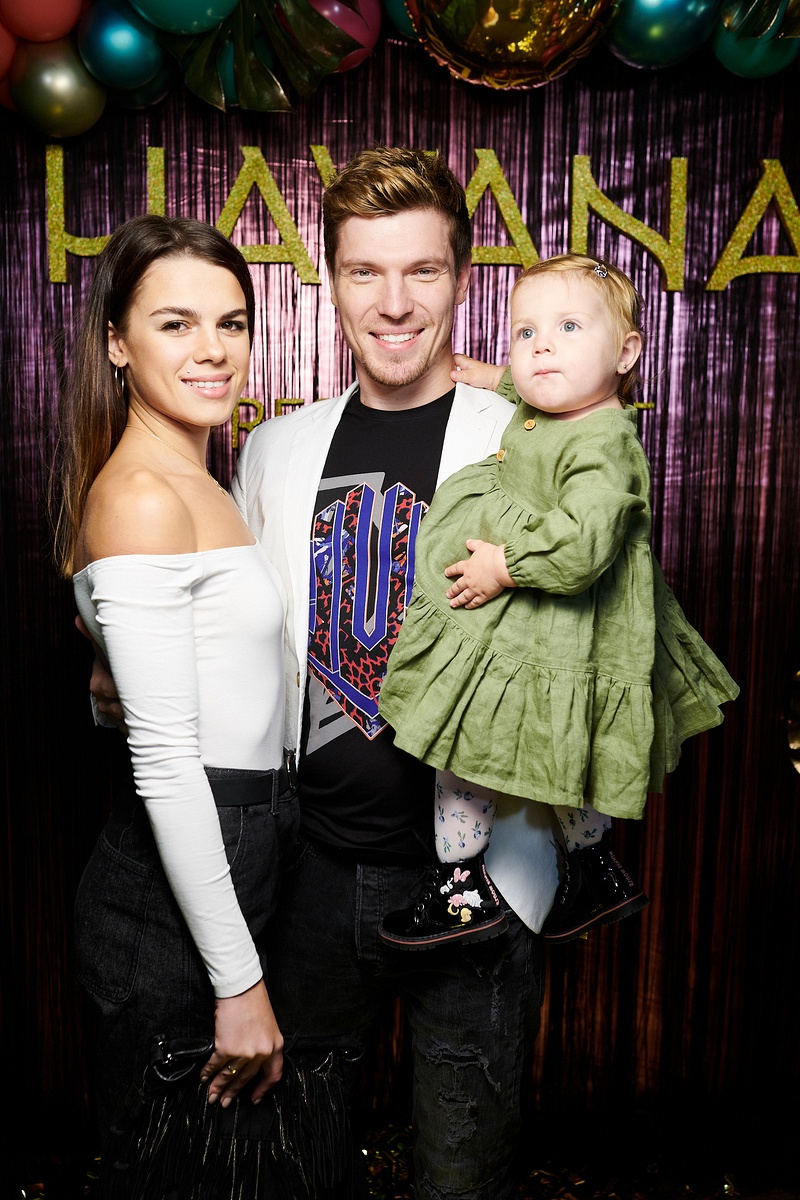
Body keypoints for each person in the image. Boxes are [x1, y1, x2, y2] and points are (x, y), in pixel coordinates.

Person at [227, 146, 561, 1200]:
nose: (395, 302)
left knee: (463, 1174)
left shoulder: (530, 439)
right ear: (330, 282)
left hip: (479, 876)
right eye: (365, 271)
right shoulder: (274, 452)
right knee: (292, 1164)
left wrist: (516, 385)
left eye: (423, 270)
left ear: (461, 279)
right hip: (315, 875)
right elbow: (235, 643)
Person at [53, 215, 340, 1198]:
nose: (212, 349)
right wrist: (239, 984)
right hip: (184, 876)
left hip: (251, 842)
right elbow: (167, 765)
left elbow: (196, 678)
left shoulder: (202, 478)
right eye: (176, 324)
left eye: (232, 322)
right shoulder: (143, 495)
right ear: (117, 343)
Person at [376, 254, 739, 950]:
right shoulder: (562, 402)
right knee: (564, 746)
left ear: (626, 353)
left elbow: (581, 545)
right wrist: (492, 376)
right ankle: (595, 868)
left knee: (466, 746)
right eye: (526, 332)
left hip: (552, 621)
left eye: (569, 327)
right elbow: (535, 384)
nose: (541, 347)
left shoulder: (604, 442)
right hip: (551, 634)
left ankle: (460, 888)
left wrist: (504, 565)